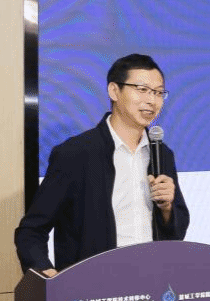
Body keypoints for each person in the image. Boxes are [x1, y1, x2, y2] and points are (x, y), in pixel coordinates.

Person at [14, 53, 190, 276]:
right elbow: (31, 231)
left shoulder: (162, 154)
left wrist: (167, 209)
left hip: (153, 280)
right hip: (93, 284)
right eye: (142, 89)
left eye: (158, 92)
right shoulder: (76, 154)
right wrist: (46, 273)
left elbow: (176, 233)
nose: (152, 101)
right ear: (114, 91)